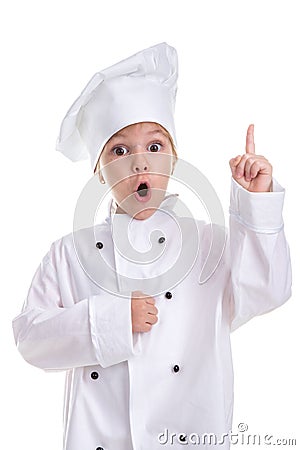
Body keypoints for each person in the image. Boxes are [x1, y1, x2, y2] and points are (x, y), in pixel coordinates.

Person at [12, 43, 292, 450]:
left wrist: (256, 205)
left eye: (155, 147)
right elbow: (29, 339)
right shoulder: (68, 254)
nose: (139, 163)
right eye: (119, 150)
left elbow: (269, 291)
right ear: (99, 172)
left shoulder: (209, 245)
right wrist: (109, 321)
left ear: (174, 162)